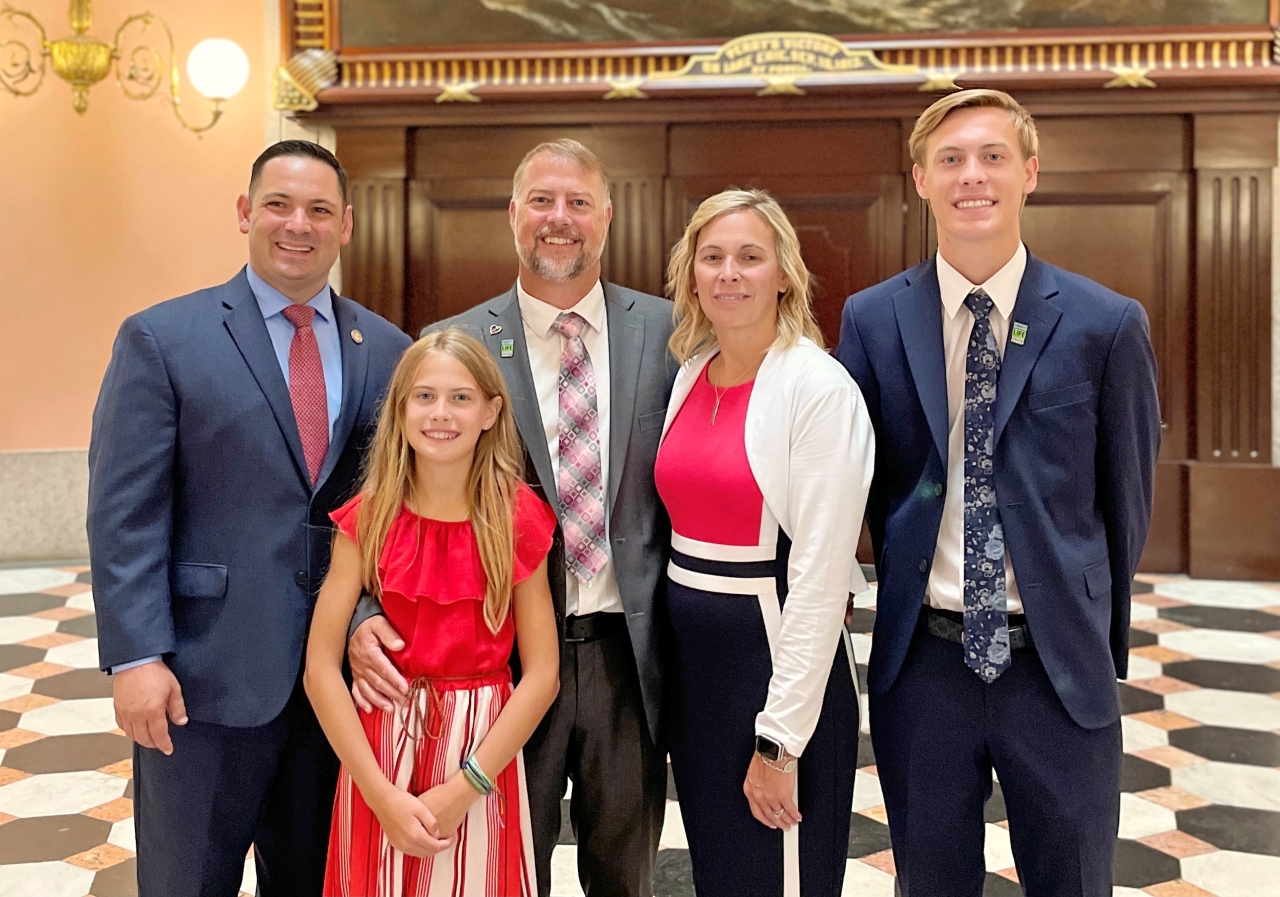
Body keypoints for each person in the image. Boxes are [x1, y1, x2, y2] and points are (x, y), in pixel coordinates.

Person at [836, 89, 1161, 896]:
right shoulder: (872, 320)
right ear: (919, 178)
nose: (970, 176)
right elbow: (854, 481)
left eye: (991, 157)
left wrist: (1097, 636)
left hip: (1055, 664)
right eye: (949, 159)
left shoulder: (1104, 322)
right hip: (926, 662)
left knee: (1073, 877)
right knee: (932, 880)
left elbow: (1128, 498)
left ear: (1030, 173)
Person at [347, 139, 674, 897]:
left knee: (625, 874)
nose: (559, 219)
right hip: (497, 666)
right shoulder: (454, 342)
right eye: (541, 201)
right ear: (512, 215)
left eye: (578, 202)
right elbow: (389, 491)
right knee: (494, 870)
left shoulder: (667, 331)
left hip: (630, 653)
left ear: (607, 217)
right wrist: (367, 606)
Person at [87, 140, 413, 896]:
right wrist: (136, 656)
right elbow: (124, 513)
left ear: (346, 225)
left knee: (316, 881)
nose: (297, 224)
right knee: (187, 881)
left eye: (319, 210)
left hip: (336, 689)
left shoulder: (389, 352)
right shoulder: (163, 339)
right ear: (245, 213)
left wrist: (366, 610)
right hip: (203, 679)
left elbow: (390, 515)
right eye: (278, 204)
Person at [656, 189, 874, 896]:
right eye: (711, 256)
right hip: (698, 678)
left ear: (784, 272)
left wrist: (780, 741)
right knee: (724, 874)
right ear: (691, 273)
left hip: (773, 664)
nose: (729, 272)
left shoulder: (818, 388)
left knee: (783, 878)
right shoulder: (691, 371)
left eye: (750, 257)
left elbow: (817, 580)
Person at [304, 328, 561, 895]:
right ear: (400, 409)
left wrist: (465, 786)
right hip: (379, 751)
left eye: (461, 397)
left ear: (492, 411)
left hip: (481, 752)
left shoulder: (517, 518)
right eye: (424, 396)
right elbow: (320, 668)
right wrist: (379, 795)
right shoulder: (368, 518)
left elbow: (542, 675)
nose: (440, 413)